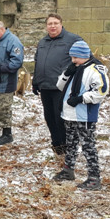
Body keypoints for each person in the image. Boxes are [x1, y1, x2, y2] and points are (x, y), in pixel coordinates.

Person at [52, 40, 109, 191]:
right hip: (69, 114)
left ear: (83, 56)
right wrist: (66, 74)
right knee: (70, 143)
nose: (73, 61)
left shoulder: (95, 69)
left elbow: (101, 91)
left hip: (84, 115)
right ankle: (68, 170)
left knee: (88, 146)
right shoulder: (75, 68)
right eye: (71, 57)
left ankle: (94, 177)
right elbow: (59, 86)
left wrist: (81, 99)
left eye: (75, 57)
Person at [32, 13, 84, 160]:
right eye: (50, 24)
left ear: (61, 24)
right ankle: (57, 145)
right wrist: (35, 81)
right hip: (45, 86)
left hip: (62, 88)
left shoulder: (73, 40)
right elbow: (38, 62)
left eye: (55, 23)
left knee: (60, 118)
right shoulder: (43, 42)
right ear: (46, 26)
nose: (53, 26)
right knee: (49, 117)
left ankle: (67, 147)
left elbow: (84, 60)